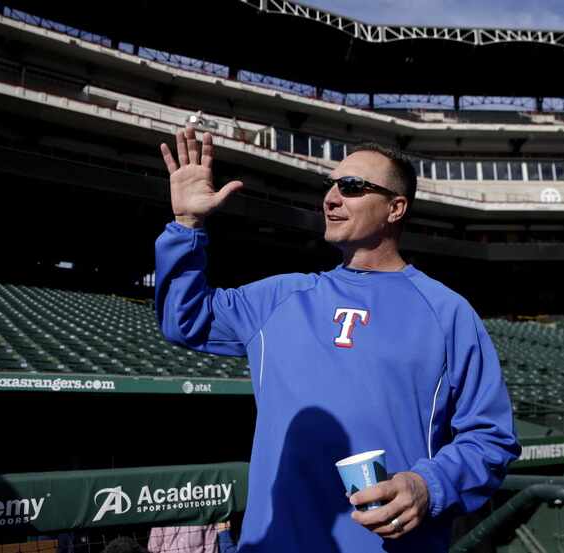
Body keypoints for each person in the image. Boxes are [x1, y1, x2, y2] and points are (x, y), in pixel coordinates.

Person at [155, 127, 521, 552]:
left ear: (395, 207)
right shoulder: (278, 297)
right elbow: (184, 320)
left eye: (351, 187)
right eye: (330, 186)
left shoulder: (447, 312)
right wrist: (187, 224)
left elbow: (492, 438)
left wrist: (428, 486)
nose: (331, 198)